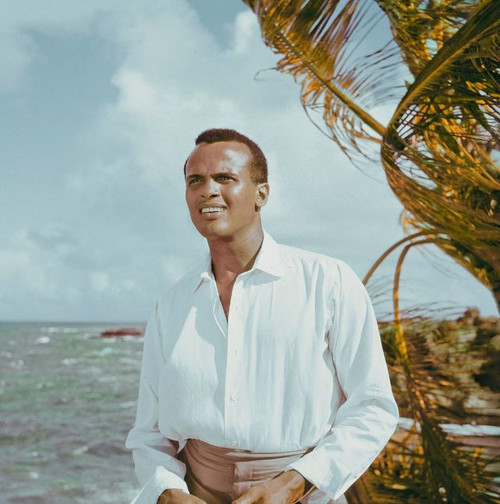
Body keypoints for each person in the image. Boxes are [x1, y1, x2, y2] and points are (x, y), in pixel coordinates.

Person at [126, 128, 399, 504]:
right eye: (195, 180)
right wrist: (167, 491)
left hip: (301, 495)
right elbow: (150, 432)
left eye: (224, 177)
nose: (207, 190)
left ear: (262, 194)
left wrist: (295, 483)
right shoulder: (170, 304)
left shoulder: (329, 282)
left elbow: (373, 407)